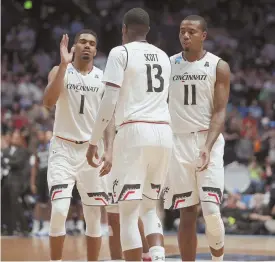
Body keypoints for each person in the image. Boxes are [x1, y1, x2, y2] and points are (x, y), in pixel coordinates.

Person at [86, 8, 172, 261]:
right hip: (164, 134)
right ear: (147, 30)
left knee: (128, 213)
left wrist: (94, 140)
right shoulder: (164, 56)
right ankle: (157, 255)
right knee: (149, 207)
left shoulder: (119, 52)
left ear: (124, 29)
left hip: (134, 131)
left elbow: (108, 101)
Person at [43, 30, 115, 261]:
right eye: (82, 42)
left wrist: (110, 150)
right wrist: (63, 66)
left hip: (91, 151)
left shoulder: (103, 78)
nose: (87, 46)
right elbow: (47, 102)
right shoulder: (59, 71)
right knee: (60, 210)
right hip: (62, 148)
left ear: (95, 50)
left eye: (91, 43)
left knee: (93, 216)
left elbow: (109, 119)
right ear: (74, 46)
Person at [163, 15, 230, 261]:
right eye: (182, 31)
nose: (185, 36)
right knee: (187, 213)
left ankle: (217, 259)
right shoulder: (168, 64)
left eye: (191, 31)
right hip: (177, 141)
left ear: (204, 36)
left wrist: (208, 147)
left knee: (211, 210)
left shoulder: (218, 65)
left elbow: (220, 111)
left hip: (207, 140)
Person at [30, 130, 51, 236]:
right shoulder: (38, 149)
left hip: (50, 176)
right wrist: (32, 182)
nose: (43, 136)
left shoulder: (53, 147)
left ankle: (47, 226)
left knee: (48, 202)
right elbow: (34, 167)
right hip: (40, 177)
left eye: (47, 135)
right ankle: (36, 226)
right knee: (39, 202)